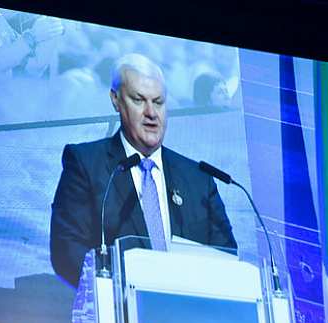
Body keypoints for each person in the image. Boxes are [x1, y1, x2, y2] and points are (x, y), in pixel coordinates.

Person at [49, 53, 237, 287]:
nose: (151, 113)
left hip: (189, 317)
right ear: (116, 100)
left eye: (158, 102)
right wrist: (122, 289)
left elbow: (226, 256)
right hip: (117, 312)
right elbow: (66, 249)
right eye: (139, 100)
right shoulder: (85, 163)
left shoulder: (199, 178)